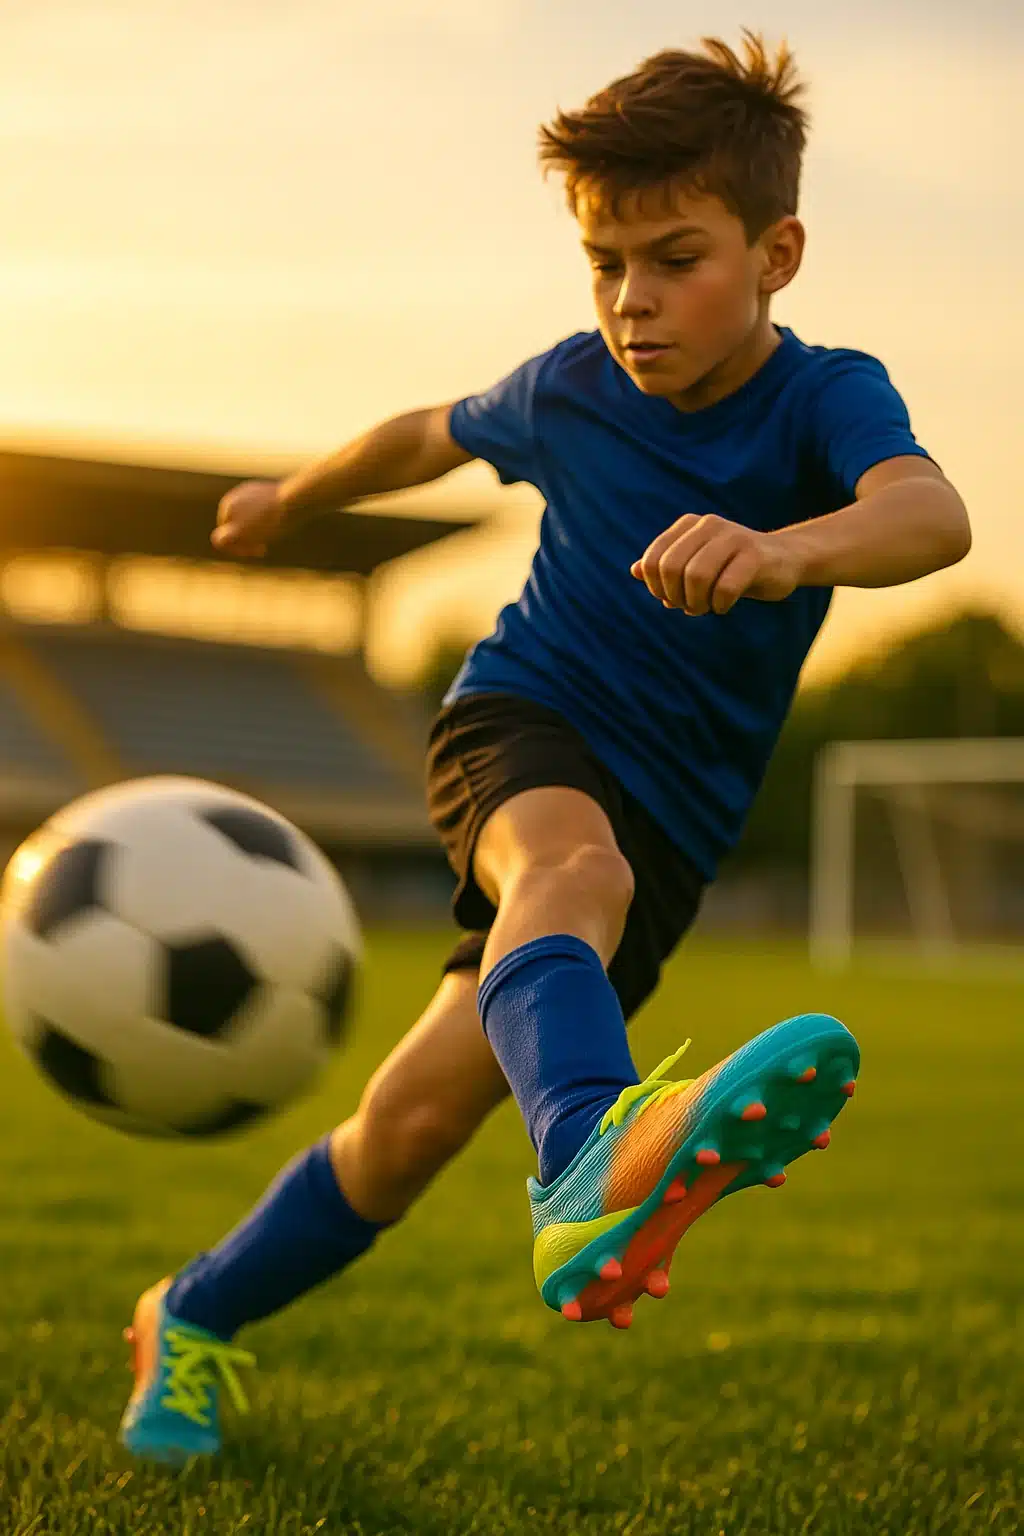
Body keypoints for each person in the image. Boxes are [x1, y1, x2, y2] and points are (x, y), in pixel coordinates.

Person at [119, 31, 970, 1462]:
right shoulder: (572, 388)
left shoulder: (826, 398)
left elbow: (931, 515)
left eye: (676, 259)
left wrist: (783, 547)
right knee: (576, 873)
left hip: (672, 828)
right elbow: (425, 434)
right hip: (523, 719)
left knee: (404, 1129)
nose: (633, 299)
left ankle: (188, 1313)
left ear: (778, 253)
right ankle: (587, 1155)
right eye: (604, 263)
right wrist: (292, 497)